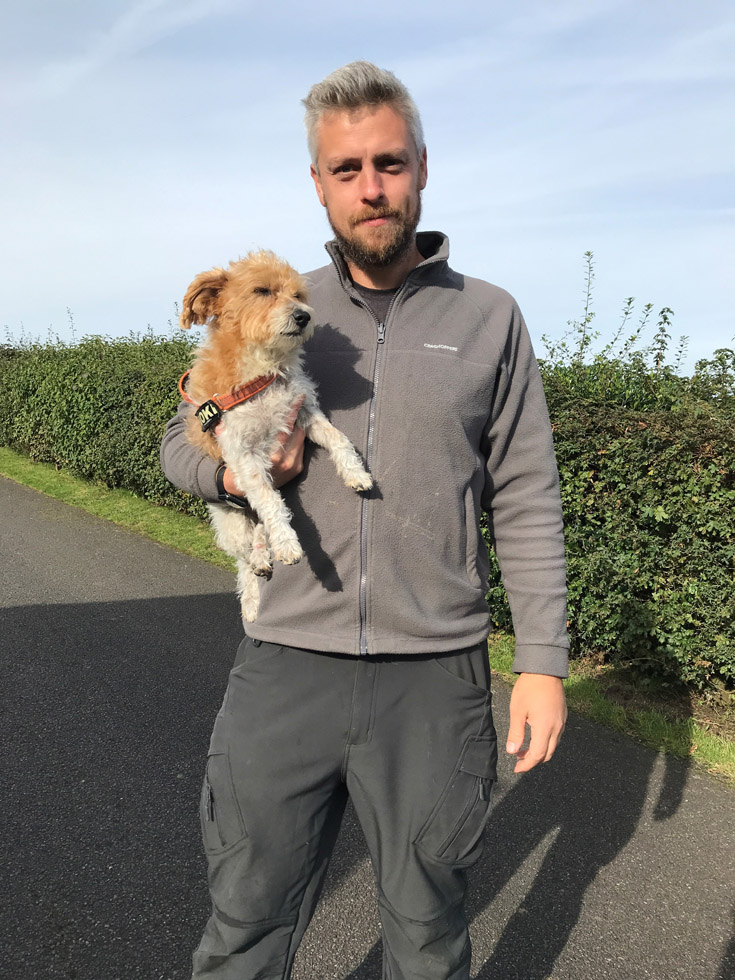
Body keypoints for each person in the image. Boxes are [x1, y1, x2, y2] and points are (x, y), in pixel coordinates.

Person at [161, 60, 568, 980]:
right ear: (318, 184)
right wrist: (232, 476)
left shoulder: (491, 319)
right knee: (244, 930)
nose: (370, 187)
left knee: (426, 940)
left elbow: (527, 494)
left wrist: (540, 662)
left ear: (421, 166)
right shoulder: (271, 307)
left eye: (388, 163)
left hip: (434, 677)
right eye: (346, 170)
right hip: (286, 661)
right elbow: (182, 443)